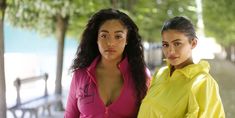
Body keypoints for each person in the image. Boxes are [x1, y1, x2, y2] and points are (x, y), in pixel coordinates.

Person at [64, 8, 150, 118]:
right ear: (96, 38)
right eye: (104, 36)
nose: (110, 43)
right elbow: (70, 116)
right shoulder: (80, 75)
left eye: (118, 36)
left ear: (127, 40)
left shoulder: (141, 75)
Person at [138, 16, 225, 117]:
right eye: (166, 45)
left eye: (177, 43)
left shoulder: (202, 82)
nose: (170, 51)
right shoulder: (160, 74)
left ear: (193, 43)